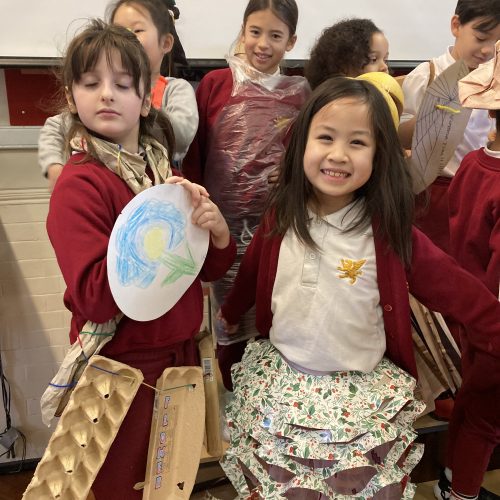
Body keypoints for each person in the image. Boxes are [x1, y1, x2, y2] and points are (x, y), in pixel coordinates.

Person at [217, 76, 500, 499]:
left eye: (357, 143)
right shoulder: (282, 216)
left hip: (358, 395)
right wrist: (227, 323)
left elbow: (456, 289)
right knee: (289, 484)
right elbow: (251, 277)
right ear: (301, 146)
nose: (337, 155)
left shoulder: (388, 232)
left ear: (380, 155)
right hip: (285, 382)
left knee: (355, 486)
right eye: (326, 137)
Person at [46, 19, 235, 499]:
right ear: (72, 97)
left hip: (179, 359)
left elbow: (206, 270)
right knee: (120, 487)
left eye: (123, 84)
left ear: (146, 94)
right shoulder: (80, 184)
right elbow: (96, 298)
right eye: (91, 84)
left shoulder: (163, 171)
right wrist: (156, 243)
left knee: (169, 483)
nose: (107, 95)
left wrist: (213, 230)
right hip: (120, 370)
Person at [182, 0, 310, 390]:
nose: (263, 43)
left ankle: (272, 407)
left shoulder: (299, 93)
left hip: (278, 226)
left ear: (291, 41)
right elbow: (196, 152)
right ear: (242, 30)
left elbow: (304, 158)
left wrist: (289, 183)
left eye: (275, 35)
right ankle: (237, 403)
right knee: (230, 321)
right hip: (222, 227)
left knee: (276, 314)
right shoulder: (216, 85)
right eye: (255, 31)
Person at [433, 42, 500, 500]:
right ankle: (463, 494)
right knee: (485, 419)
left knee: (469, 405)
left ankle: (452, 480)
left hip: (475, 321)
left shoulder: (473, 166)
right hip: (498, 325)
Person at [39, 0, 198, 190]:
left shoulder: (175, 89)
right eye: (119, 31)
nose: (107, 95)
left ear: (165, 42)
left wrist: (137, 117)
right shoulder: (84, 181)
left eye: (123, 85)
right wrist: (54, 165)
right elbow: (56, 125)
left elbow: (181, 135)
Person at [398, 0, 500, 253]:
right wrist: (429, 116)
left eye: (497, 44)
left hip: (479, 188)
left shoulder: (493, 78)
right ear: (456, 26)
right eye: (480, 37)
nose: (487, 50)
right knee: (430, 260)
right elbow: (399, 137)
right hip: (434, 189)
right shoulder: (427, 75)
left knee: (470, 258)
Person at [305, 18, 389, 89]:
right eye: (373, 59)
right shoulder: (334, 105)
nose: (385, 67)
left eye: (385, 60)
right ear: (341, 67)